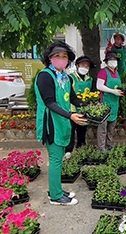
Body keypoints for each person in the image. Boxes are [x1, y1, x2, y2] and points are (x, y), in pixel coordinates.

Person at [34, 41, 88, 206]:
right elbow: (49, 102)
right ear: (50, 58)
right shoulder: (45, 76)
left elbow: (72, 98)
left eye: (64, 56)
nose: (61, 59)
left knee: (59, 158)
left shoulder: (64, 77)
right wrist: (71, 115)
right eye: (57, 56)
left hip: (62, 121)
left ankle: (56, 189)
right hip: (52, 123)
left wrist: (89, 105)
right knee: (56, 159)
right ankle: (56, 196)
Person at [64, 56, 96, 158]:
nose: (84, 67)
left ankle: (81, 148)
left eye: (87, 66)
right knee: (71, 130)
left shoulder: (90, 79)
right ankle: (68, 150)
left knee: (82, 129)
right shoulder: (70, 78)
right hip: (72, 108)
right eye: (82, 65)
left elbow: (93, 93)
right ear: (77, 66)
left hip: (84, 108)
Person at [96, 51, 124, 151]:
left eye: (115, 60)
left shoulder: (116, 72)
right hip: (105, 102)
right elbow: (99, 86)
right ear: (107, 61)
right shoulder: (103, 72)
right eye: (111, 60)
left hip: (114, 103)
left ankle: (109, 144)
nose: (113, 62)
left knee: (111, 127)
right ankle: (101, 148)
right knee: (103, 127)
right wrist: (113, 91)